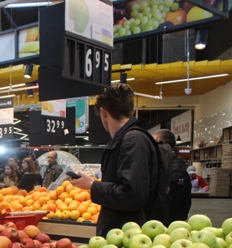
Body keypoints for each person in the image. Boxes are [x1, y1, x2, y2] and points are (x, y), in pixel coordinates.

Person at [70, 83, 163, 237]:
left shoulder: (133, 140)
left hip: (127, 238)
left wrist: (92, 186)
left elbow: (131, 196)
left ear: (104, 113)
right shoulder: (130, 140)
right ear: (132, 111)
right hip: (123, 235)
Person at [154, 129, 192, 222]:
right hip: (180, 220)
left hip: (158, 219)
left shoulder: (156, 162)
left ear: (156, 139)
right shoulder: (180, 162)